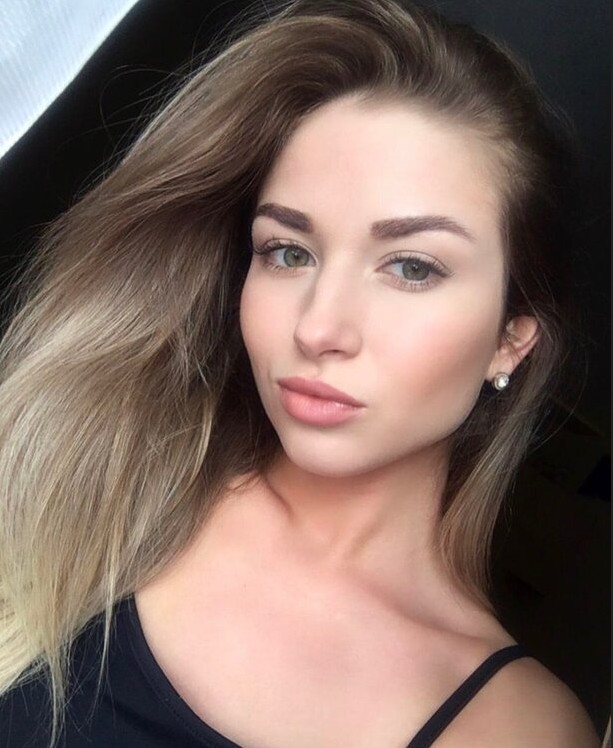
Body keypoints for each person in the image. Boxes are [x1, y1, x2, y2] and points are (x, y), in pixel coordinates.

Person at [0, 0, 601, 746]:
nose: (317, 328)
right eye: (288, 252)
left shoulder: (510, 724)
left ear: (510, 341)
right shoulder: (91, 480)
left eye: (412, 267)